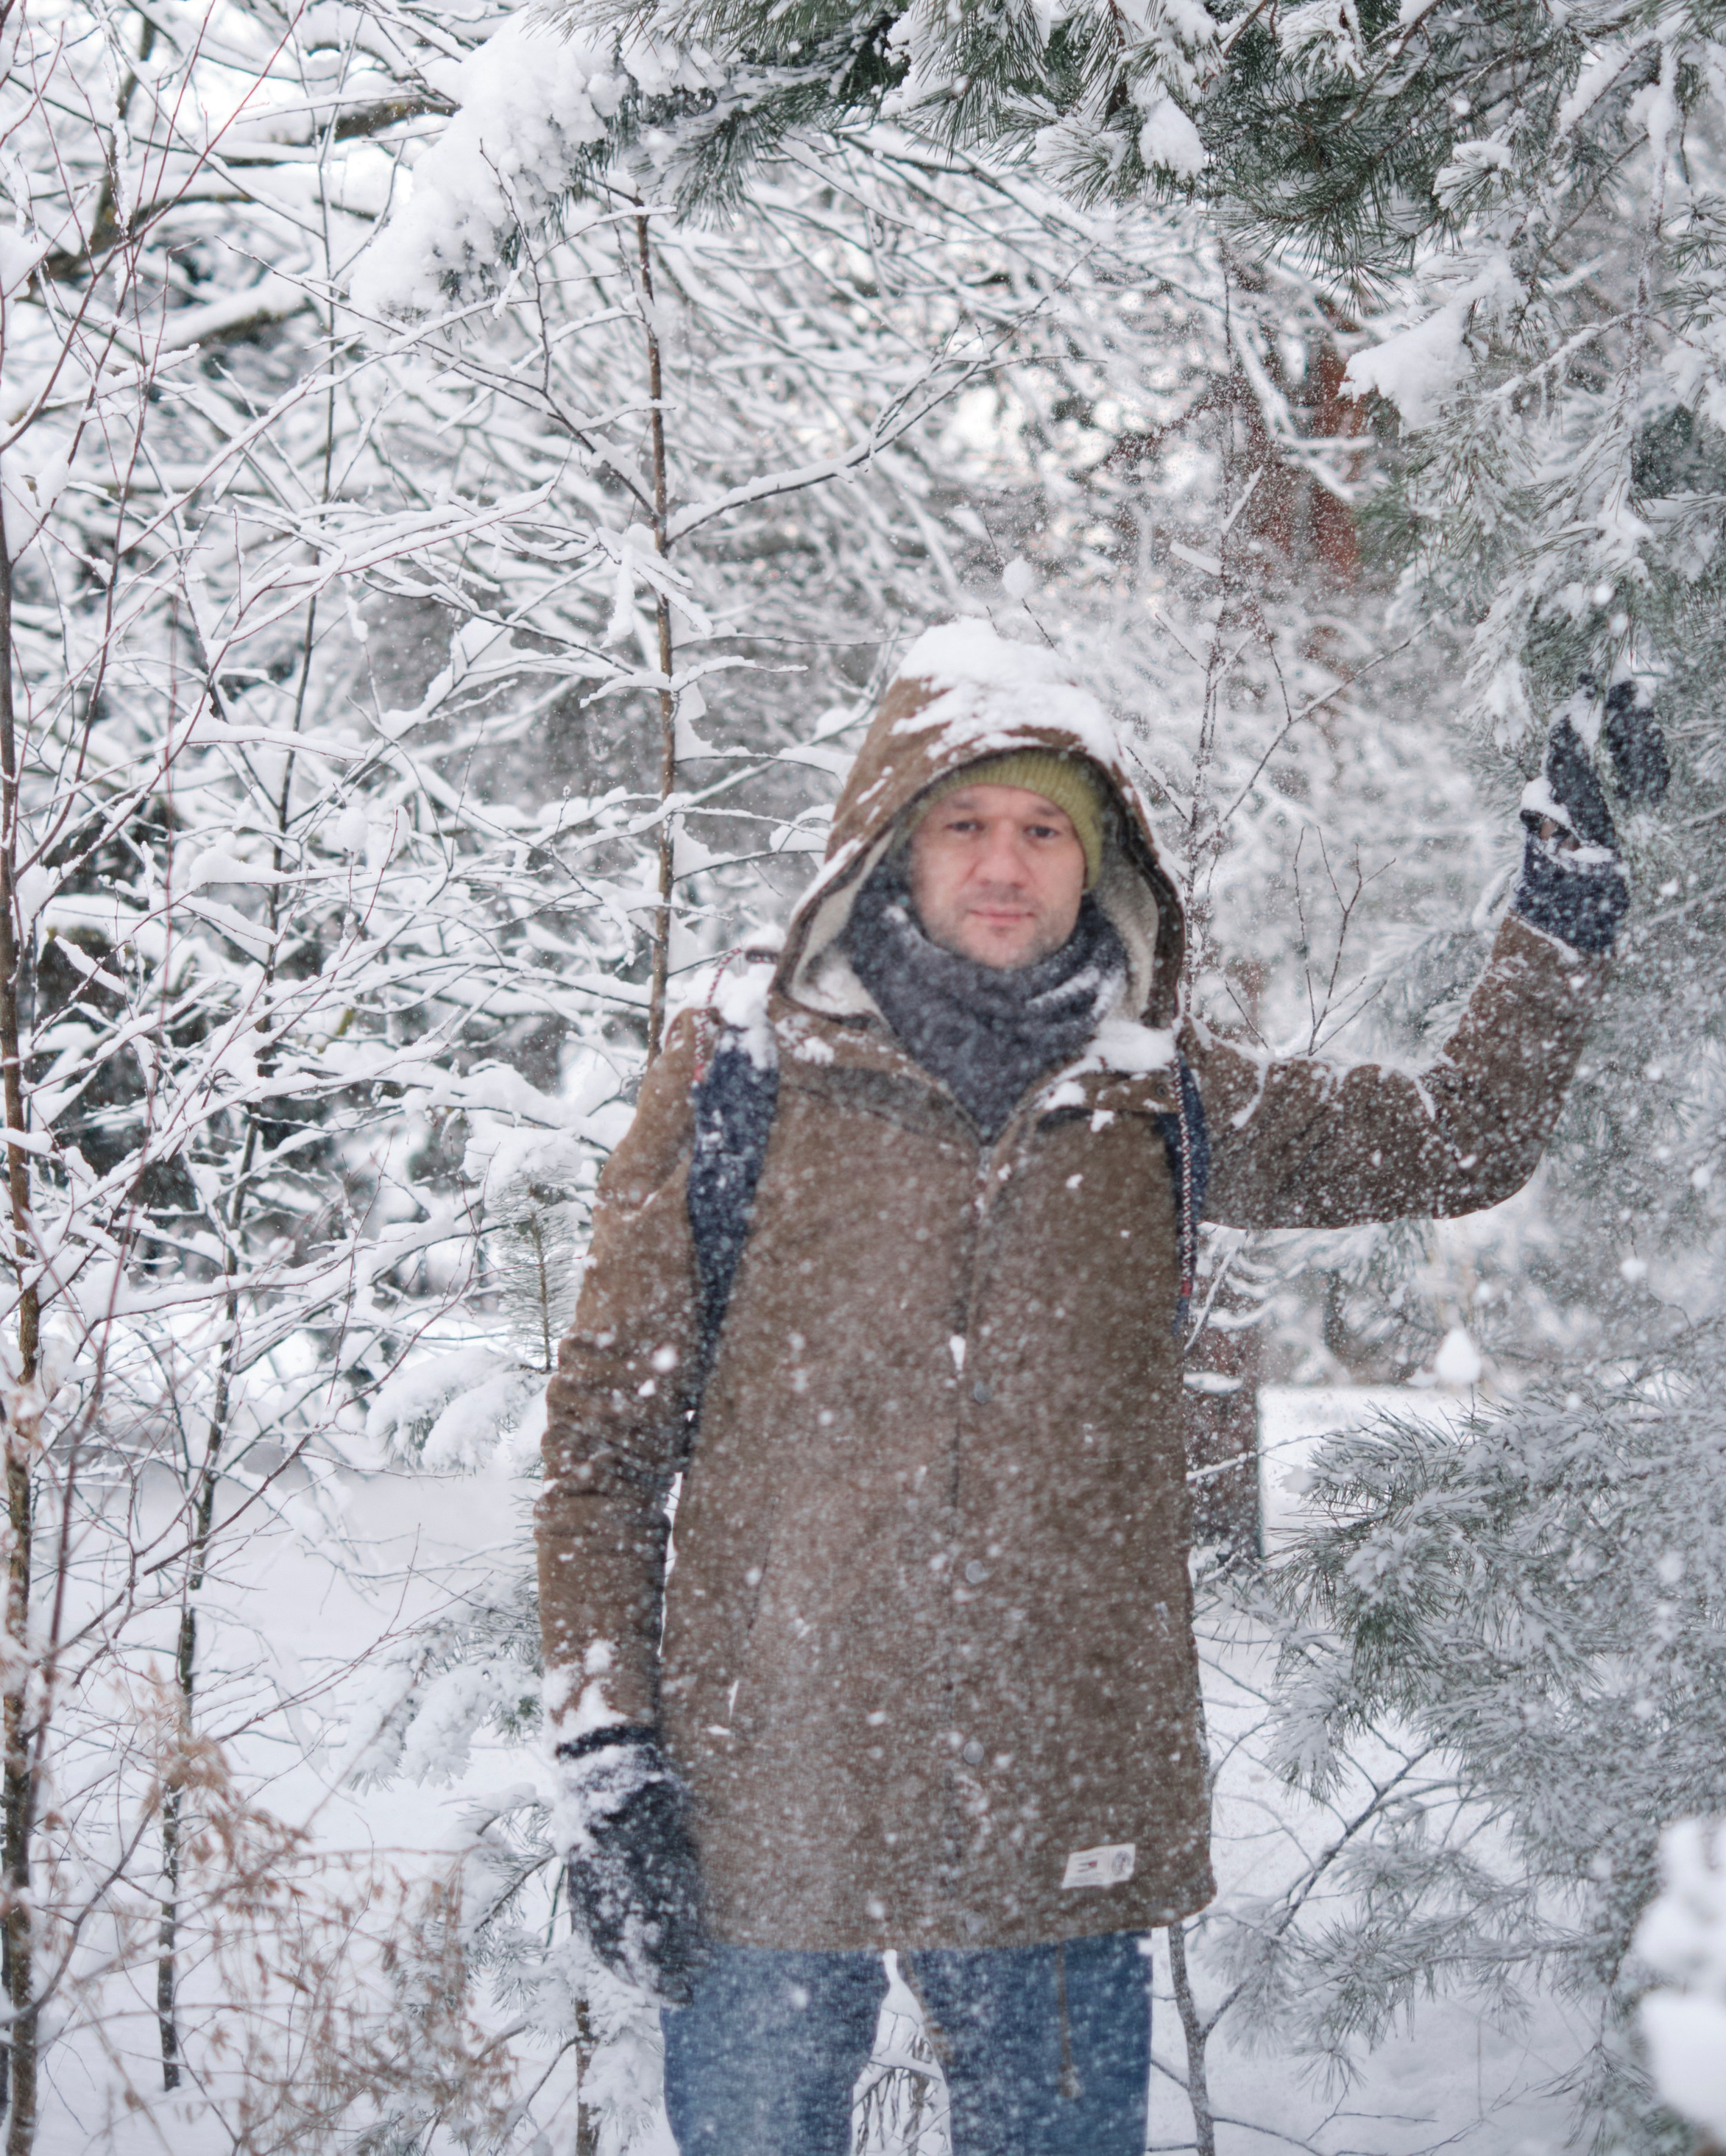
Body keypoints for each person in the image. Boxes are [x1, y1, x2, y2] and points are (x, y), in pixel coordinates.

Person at [538, 621, 1651, 2155]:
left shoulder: (1157, 1092)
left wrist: (1563, 905)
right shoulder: (745, 1069)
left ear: (1097, 853)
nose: (1004, 865)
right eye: (964, 824)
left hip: (1054, 1798)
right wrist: (610, 1755)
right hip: (762, 1803)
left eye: (1043, 828)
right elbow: (601, 1446)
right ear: (888, 847)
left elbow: (1458, 1136)